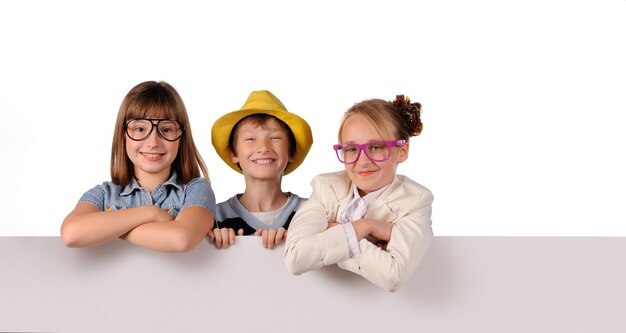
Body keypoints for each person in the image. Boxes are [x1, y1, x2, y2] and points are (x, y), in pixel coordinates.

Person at [283, 95, 433, 291]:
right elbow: (296, 257)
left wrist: (334, 231)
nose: (362, 160)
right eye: (352, 149)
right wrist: (363, 227)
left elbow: (392, 275)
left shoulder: (415, 201)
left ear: (402, 151)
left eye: (376, 147)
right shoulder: (325, 187)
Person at [61, 81, 216, 252]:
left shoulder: (196, 190)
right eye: (140, 128)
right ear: (123, 135)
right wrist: (150, 213)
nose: (153, 142)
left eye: (166, 129)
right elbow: (71, 233)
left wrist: (108, 228)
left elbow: (180, 239)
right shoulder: (104, 194)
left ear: (181, 136)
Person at [209, 90, 313, 249]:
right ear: (234, 153)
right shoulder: (215, 218)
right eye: (250, 139)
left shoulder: (311, 212)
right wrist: (208, 242)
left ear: (291, 152)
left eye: (275, 138)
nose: (263, 148)